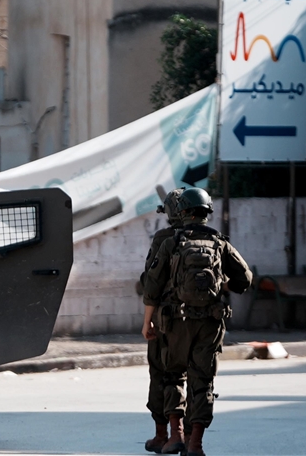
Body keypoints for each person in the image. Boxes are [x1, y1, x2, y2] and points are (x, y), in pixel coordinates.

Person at [142, 188, 252, 456]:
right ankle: (196, 444)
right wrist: (223, 284)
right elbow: (245, 279)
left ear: (182, 211)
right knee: (202, 382)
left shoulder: (170, 242)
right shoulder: (220, 242)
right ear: (207, 211)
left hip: (176, 322)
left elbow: (151, 285)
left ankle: (175, 434)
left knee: (172, 375)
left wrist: (147, 322)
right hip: (210, 324)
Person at [137, 188, 186, 454]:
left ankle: (164, 434)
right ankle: (191, 437)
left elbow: (150, 282)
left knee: (162, 375)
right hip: (199, 323)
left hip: (165, 320)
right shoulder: (211, 239)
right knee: (197, 378)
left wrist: (148, 320)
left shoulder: (163, 238)